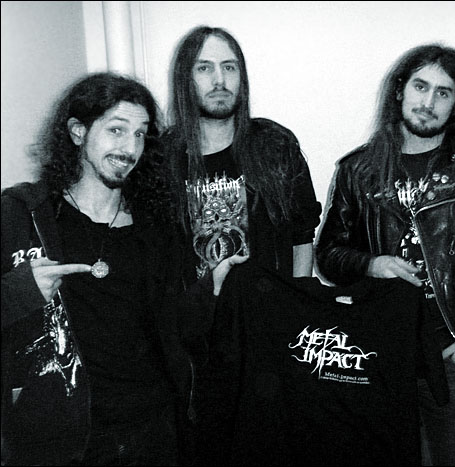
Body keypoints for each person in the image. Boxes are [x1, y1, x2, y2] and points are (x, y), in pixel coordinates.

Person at [1, 72, 233, 465]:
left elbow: (177, 329)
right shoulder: (23, 215)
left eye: (140, 134)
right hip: (63, 440)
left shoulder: (157, 227)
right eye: (116, 130)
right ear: (78, 132)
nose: (130, 148)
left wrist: (210, 290)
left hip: (153, 431)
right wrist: (17, 292)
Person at [316, 44, 455, 466]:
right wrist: (371, 264)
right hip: (377, 354)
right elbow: (328, 255)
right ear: (399, 91)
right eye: (420, 87)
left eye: (443, 93)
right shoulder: (358, 170)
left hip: (451, 357)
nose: (429, 102)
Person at [162, 25, 322, 464]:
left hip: (267, 336)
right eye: (205, 68)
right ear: (185, 78)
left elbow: (302, 235)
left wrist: (295, 314)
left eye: (229, 67)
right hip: (196, 345)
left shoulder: (275, 145)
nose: (219, 80)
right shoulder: (163, 156)